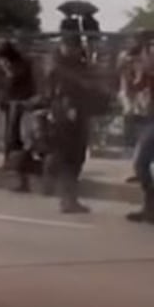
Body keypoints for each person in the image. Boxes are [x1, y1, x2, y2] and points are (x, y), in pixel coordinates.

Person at [43, 34, 107, 214]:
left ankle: (69, 197)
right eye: (70, 46)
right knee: (68, 157)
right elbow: (54, 91)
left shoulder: (78, 64)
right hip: (64, 115)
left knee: (76, 157)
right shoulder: (57, 65)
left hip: (78, 114)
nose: (73, 50)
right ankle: (67, 198)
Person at [0, 42, 38, 192]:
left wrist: (8, 71)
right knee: (15, 142)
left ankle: (21, 178)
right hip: (15, 108)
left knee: (16, 142)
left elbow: (14, 87)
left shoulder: (19, 68)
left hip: (19, 109)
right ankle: (18, 175)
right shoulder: (19, 67)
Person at [125, 37, 154, 223]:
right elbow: (136, 88)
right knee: (142, 163)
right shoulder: (146, 74)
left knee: (141, 163)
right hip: (149, 119)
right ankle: (149, 208)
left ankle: (150, 209)